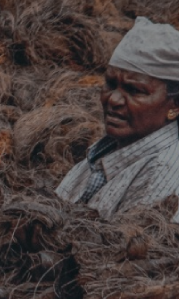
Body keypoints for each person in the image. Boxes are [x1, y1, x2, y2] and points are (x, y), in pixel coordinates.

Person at [56, 17, 179, 220]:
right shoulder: (102, 154)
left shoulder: (163, 171)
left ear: (174, 105)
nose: (113, 99)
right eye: (111, 84)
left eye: (134, 90)